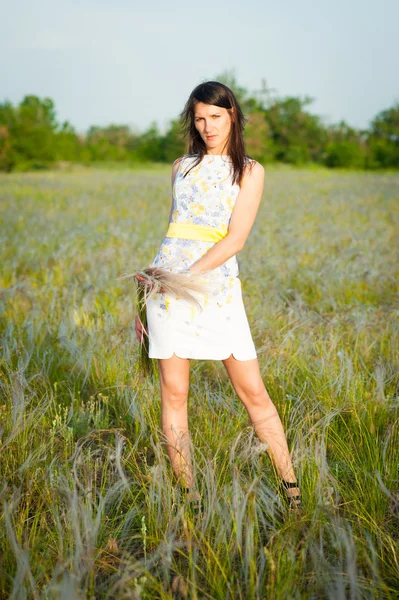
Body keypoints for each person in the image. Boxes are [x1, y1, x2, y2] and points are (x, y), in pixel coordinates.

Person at [134, 81, 302, 513]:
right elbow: (172, 232)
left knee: (254, 393)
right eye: (200, 117)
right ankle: (188, 498)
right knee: (174, 393)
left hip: (215, 286)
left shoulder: (249, 170)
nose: (207, 126)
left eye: (216, 116)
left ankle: (292, 492)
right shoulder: (180, 167)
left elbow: (236, 239)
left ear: (233, 117)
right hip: (166, 287)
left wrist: (186, 278)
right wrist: (148, 295)